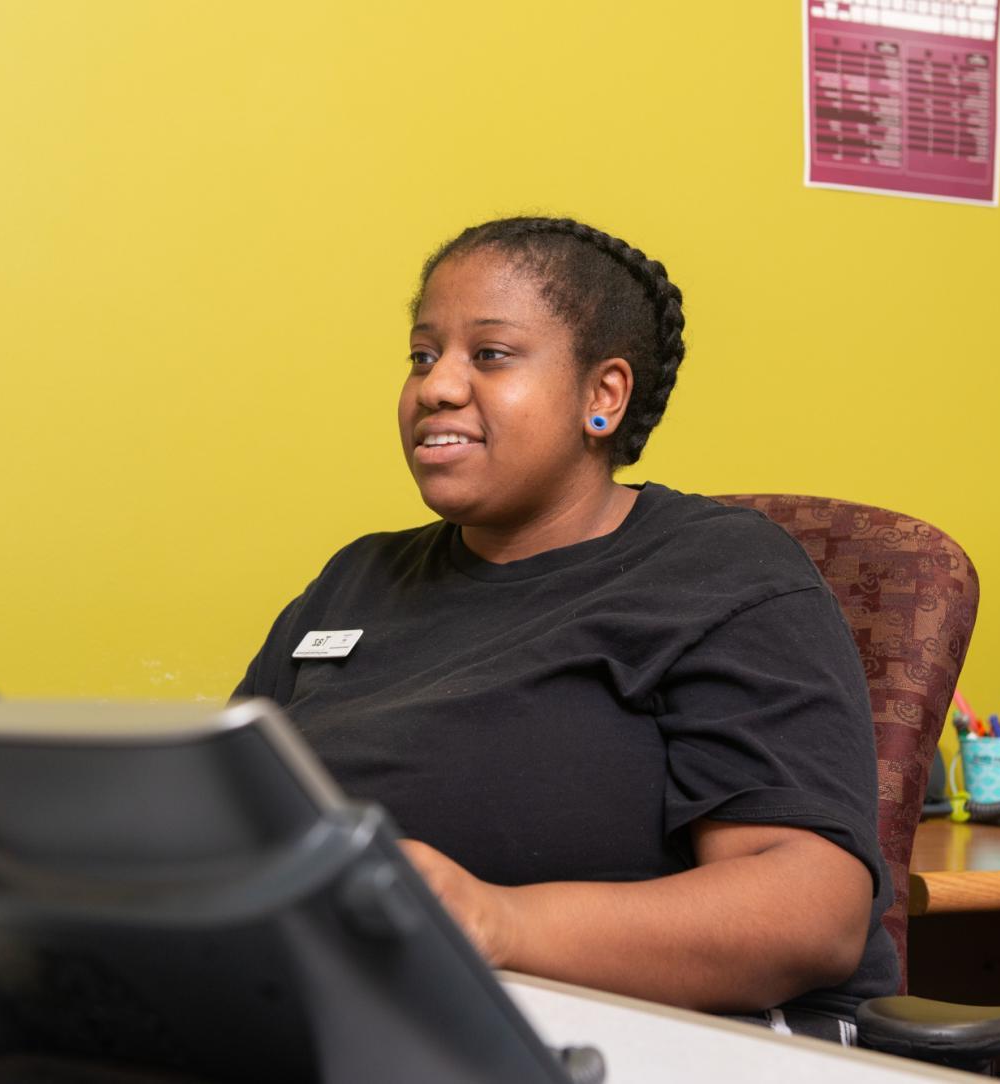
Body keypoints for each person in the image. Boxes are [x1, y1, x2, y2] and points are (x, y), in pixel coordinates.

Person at [233, 216, 898, 1042]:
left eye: (490, 354)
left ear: (603, 395)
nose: (436, 387)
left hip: (632, 1038)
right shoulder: (356, 579)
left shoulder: (721, 574)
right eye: (422, 354)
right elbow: (230, 813)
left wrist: (495, 923)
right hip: (338, 1014)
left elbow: (810, 912)